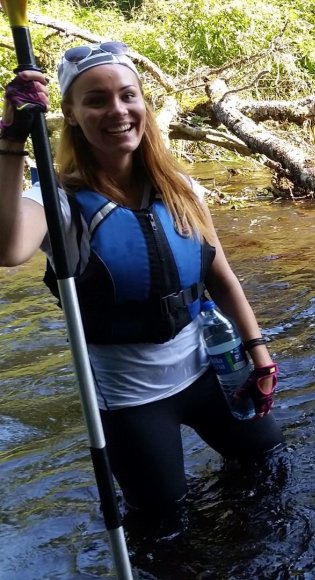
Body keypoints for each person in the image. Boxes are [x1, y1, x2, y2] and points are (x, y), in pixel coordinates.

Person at [0, 42, 284, 515]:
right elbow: (8, 249)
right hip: (132, 401)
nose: (117, 110)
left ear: (143, 103)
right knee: (166, 525)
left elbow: (222, 277)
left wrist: (259, 354)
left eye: (127, 96)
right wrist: (10, 142)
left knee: (268, 466)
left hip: (211, 373)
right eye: (96, 100)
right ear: (70, 114)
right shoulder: (59, 202)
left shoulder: (180, 187)